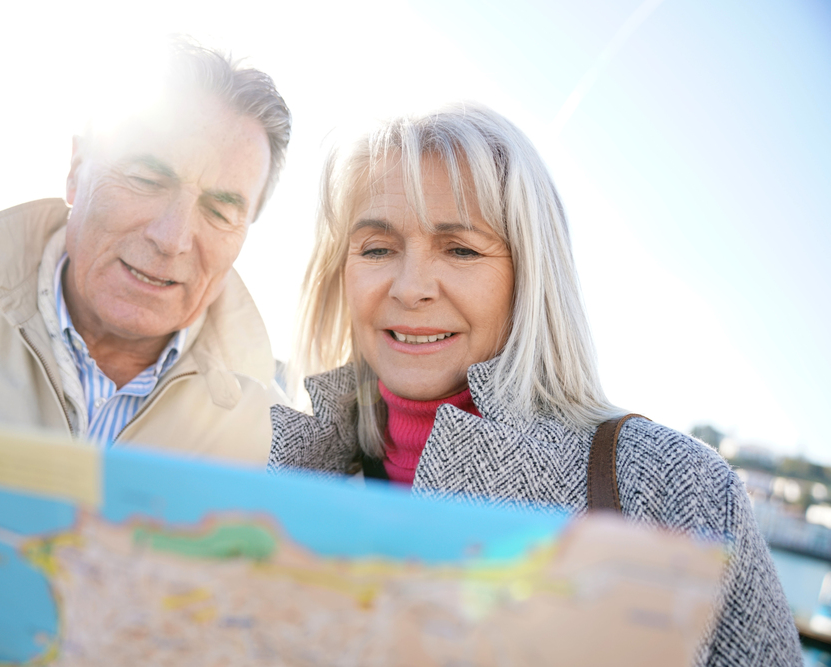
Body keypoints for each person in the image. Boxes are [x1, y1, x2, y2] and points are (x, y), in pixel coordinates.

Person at [268, 104, 802, 665]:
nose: (411, 287)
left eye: (461, 249)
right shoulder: (274, 469)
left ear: (530, 278)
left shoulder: (678, 490)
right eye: (377, 248)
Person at [0, 40, 291, 464]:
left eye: (219, 211)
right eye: (147, 180)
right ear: (75, 170)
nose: (171, 238)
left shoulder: (280, 444)